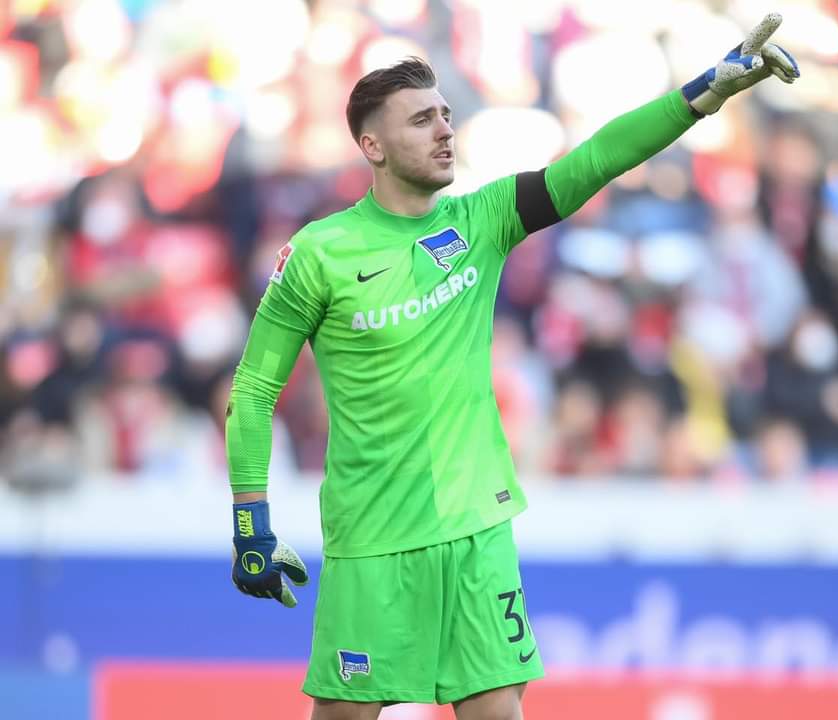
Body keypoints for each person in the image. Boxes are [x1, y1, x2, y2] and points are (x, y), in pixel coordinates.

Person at [225, 14, 799, 720]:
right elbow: (253, 390)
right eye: (420, 121)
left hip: (478, 527)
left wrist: (702, 95)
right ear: (372, 146)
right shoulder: (320, 253)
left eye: (445, 115)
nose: (444, 130)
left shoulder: (482, 220)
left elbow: (597, 159)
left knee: (498, 709)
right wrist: (250, 521)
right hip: (372, 538)